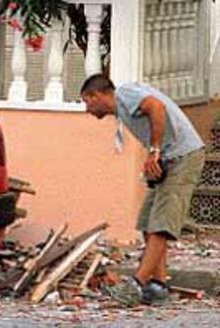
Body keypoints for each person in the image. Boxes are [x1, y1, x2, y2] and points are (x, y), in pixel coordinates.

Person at [80, 74, 205, 306]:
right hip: (167, 159)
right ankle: (158, 286)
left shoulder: (125, 93)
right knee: (148, 223)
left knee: (162, 223)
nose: (87, 109)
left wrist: (154, 151)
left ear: (95, 95)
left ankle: (136, 284)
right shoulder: (123, 108)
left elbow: (156, 107)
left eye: (86, 102)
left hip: (182, 157)